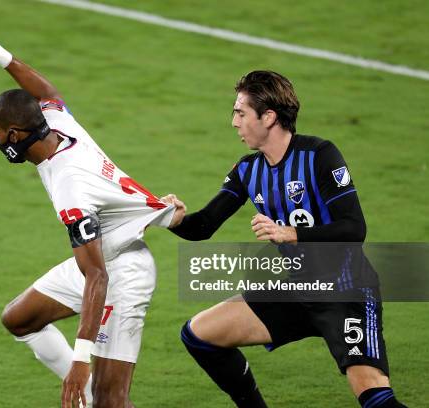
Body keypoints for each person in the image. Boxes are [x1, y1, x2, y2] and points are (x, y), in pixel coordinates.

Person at [0, 14, 182, 408]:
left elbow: (97, 276)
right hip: (100, 257)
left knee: (113, 403)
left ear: (14, 136)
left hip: (121, 274)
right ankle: (88, 395)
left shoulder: (69, 187)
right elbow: (45, 90)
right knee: (18, 319)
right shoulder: (55, 122)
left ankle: (92, 392)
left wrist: (80, 360)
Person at [162, 71, 406, 407]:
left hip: (346, 291)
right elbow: (202, 226)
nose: (234, 122)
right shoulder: (248, 170)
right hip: (299, 290)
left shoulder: (319, 155)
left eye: (240, 112)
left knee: (374, 396)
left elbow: (354, 228)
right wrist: (170, 218)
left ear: (269, 117)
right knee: (200, 334)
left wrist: (293, 234)